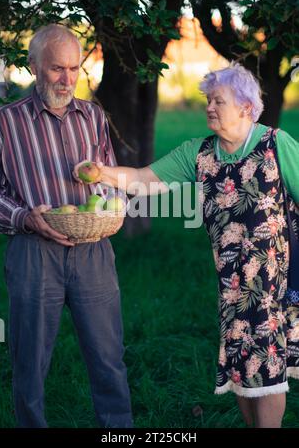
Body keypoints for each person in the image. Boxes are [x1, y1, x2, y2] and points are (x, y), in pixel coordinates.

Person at [74, 62, 299, 428]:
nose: (209, 107)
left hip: (274, 283)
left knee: (266, 358)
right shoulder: (200, 154)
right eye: (208, 100)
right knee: (239, 359)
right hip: (230, 285)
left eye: (218, 101)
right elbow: (144, 179)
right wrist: (101, 173)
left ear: (245, 107)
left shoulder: (275, 145)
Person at [0, 24, 133, 428]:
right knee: (30, 365)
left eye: (75, 68)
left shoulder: (92, 116)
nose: (68, 79)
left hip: (93, 251)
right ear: (33, 66)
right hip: (33, 253)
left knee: (109, 358)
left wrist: (113, 203)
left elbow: (109, 178)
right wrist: (24, 217)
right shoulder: (6, 122)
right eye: (57, 68)